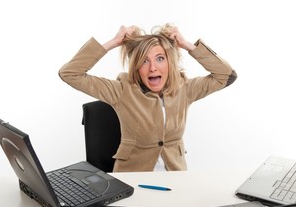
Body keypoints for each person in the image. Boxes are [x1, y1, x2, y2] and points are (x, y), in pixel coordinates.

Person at [59, 23, 237, 172]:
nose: (152, 68)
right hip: (133, 181)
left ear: (170, 62)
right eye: (144, 60)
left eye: (160, 59)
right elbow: (69, 73)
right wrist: (113, 42)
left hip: (176, 180)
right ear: (136, 66)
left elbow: (226, 75)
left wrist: (187, 45)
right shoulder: (121, 90)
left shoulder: (185, 89)